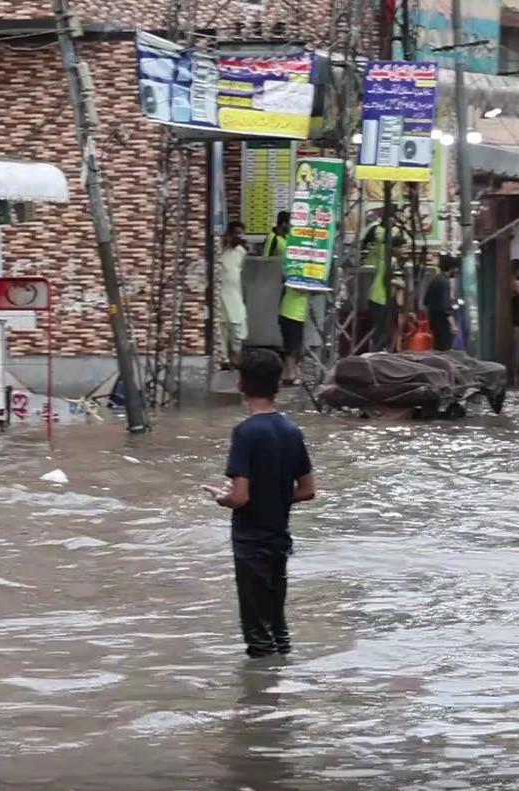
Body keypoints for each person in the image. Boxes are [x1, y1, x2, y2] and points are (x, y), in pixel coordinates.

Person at [203, 349, 316, 658]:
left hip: (250, 545)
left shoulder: (245, 433)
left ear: (241, 384)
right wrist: (275, 493)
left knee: (258, 638)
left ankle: (261, 701)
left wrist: (220, 497)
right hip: (279, 543)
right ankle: (281, 696)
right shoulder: (292, 431)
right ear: (278, 384)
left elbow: (240, 497)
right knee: (278, 630)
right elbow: (307, 490)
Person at [265, 212, 305, 384]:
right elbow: (266, 260)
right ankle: (289, 373)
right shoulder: (273, 238)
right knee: (291, 344)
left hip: (295, 309)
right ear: (283, 223)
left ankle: (293, 371)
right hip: (288, 306)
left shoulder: (290, 240)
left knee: (295, 343)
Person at [364, 217, 407, 352]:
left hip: (380, 299)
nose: (403, 250)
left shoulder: (390, 260)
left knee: (382, 330)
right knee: (380, 331)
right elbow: (386, 280)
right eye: (401, 247)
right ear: (394, 248)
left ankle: (379, 352)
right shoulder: (389, 261)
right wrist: (400, 283)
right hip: (379, 299)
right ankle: (377, 354)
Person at [218, 221, 249, 368]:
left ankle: (236, 355)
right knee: (223, 328)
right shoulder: (221, 251)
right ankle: (224, 359)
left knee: (238, 328)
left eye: (241, 233)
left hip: (236, 295)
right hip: (222, 295)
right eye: (236, 233)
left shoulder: (242, 253)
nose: (239, 236)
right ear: (229, 235)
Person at [424, 254, 458, 352]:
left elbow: (426, 301)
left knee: (437, 349)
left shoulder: (435, 280)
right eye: (456, 268)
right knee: (445, 350)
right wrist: (452, 324)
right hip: (443, 324)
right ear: (451, 268)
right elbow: (445, 308)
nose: (457, 271)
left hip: (434, 322)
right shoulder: (445, 282)